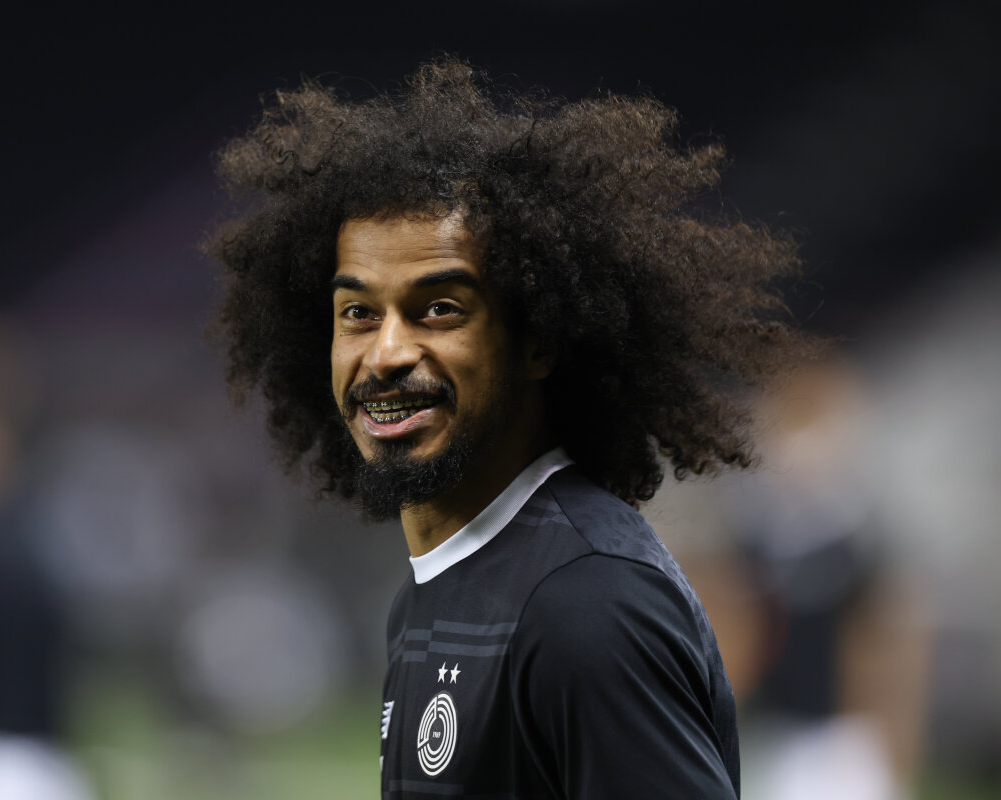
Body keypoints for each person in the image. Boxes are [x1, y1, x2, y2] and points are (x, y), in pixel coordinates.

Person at [210, 58, 813, 798]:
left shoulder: (588, 605)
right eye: (358, 313)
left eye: (439, 309)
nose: (387, 352)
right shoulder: (436, 589)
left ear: (538, 340)